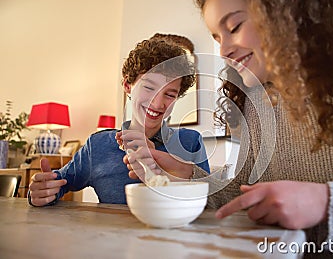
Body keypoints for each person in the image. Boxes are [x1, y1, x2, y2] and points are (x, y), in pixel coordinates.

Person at [123, 0, 333, 257]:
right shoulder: (255, 100)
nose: (225, 50)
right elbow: (242, 193)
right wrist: (184, 174)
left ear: (286, 7)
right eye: (217, 38)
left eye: (235, 26)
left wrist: (330, 203)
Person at [28, 37, 210, 206]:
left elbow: (210, 200)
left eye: (169, 94)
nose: (157, 102)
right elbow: (57, 184)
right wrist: (42, 192)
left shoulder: (190, 142)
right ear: (127, 86)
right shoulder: (98, 145)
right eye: (148, 87)